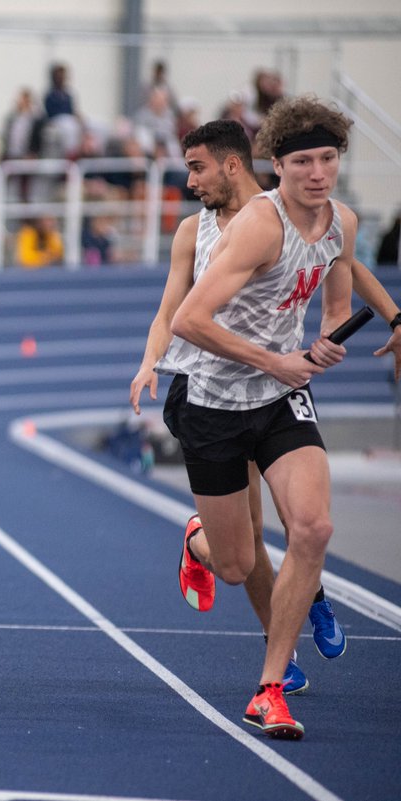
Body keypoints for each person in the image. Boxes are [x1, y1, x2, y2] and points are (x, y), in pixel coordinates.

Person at [129, 119, 389, 704]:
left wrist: (390, 317)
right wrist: (150, 361)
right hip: (209, 391)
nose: (189, 180)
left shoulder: (310, 216)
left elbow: (342, 261)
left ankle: (280, 657)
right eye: (304, 162)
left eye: (196, 167)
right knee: (239, 555)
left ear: (233, 164)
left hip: (277, 391)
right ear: (279, 166)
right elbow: (175, 312)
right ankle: (210, 547)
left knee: (309, 524)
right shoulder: (203, 232)